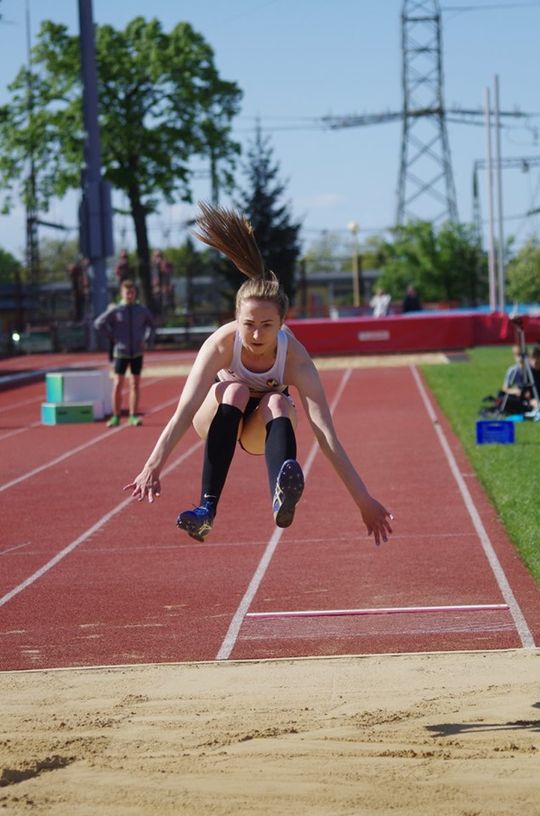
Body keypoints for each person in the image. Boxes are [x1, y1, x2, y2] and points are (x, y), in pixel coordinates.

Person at [124, 203, 393, 546]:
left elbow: (325, 434)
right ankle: (206, 509)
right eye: (248, 324)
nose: (255, 334)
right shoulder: (221, 345)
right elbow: (185, 410)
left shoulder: (294, 358)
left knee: (278, 402)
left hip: (260, 430)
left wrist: (362, 499)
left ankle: (281, 495)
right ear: (236, 319)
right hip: (216, 417)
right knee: (234, 390)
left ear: (282, 323)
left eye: (267, 325)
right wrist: (153, 465)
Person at [94, 280, 156, 427]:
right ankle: (116, 416)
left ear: (135, 293)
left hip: (137, 352)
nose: (129, 295)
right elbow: (99, 323)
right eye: (127, 292)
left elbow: (152, 325)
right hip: (121, 352)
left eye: (132, 292)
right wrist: (112, 336)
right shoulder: (116, 310)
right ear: (122, 293)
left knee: (135, 383)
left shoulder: (141, 310)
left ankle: (133, 416)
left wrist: (147, 339)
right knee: (118, 383)